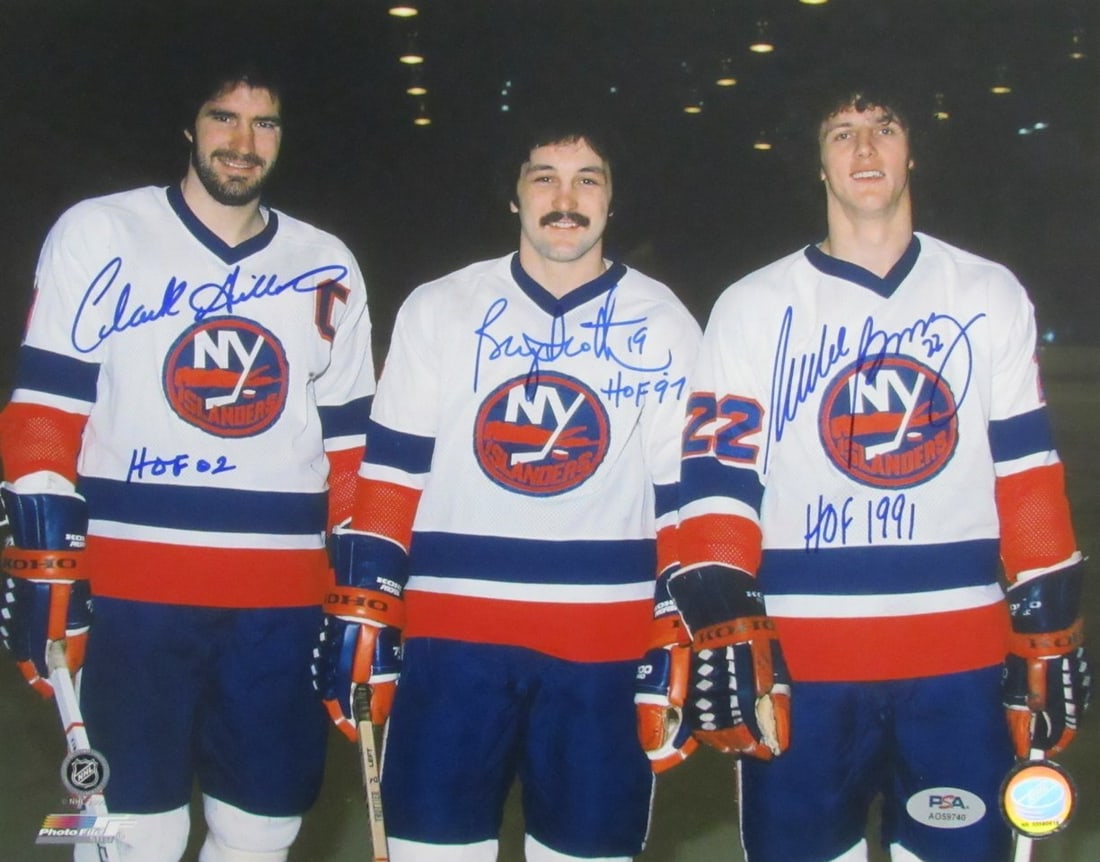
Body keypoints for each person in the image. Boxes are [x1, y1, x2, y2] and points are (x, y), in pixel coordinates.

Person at [671, 84, 1091, 861]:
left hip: (959, 668)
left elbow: (1027, 475)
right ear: (817, 163)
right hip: (805, 667)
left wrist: (1050, 626)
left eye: (884, 128)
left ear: (912, 150)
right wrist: (723, 613)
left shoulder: (989, 292)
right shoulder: (752, 306)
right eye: (842, 133)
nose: (864, 148)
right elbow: (719, 484)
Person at [0, 61, 375, 862]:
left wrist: (364, 581)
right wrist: (42, 555)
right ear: (188, 126)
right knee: (128, 830)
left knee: (263, 828)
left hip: (281, 602)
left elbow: (351, 445)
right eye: (223, 117)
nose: (243, 141)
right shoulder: (100, 231)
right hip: (131, 594)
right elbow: (44, 410)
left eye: (265, 123)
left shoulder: (328, 263)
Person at [314, 120, 702, 861]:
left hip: (603, 646)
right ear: (514, 196)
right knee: (432, 849)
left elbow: (681, 497)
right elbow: (391, 475)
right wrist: (364, 601)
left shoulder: (665, 323)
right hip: (452, 644)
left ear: (613, 198)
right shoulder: (441, 307)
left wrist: (675, 617)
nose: (566, 198)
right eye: (543, 177)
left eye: (587, 179)